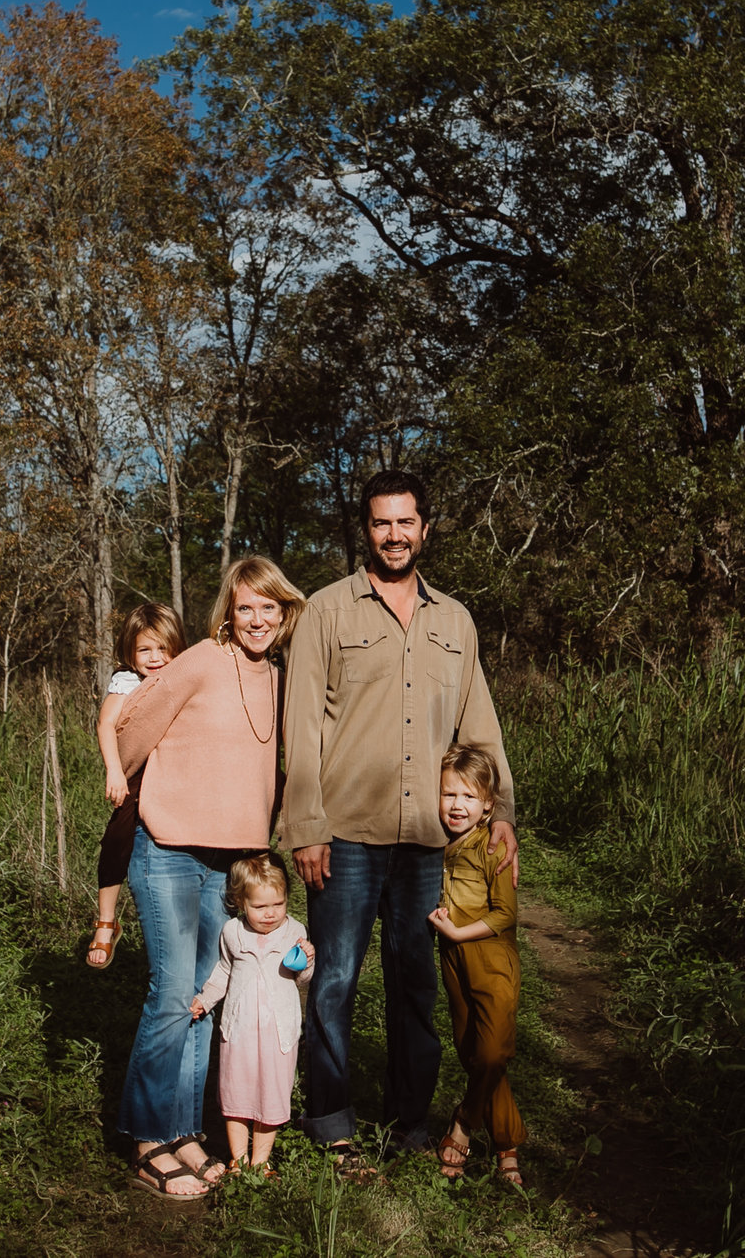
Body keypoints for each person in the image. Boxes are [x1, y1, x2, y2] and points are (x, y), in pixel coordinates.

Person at [281, 467, 517, 1166]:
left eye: (405, 521)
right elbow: (302, 728)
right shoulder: (327, 610)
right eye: (381, 522)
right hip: (345, 833)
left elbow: (479, 724)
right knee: (334, 980)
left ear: (425, 527)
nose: (393, 534)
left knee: (418, 981)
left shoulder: (455, 620)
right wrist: (305, 825)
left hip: (430, 841)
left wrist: (498, 808)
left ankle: (409, 1126)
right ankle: (330, 1122)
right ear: (366, 528)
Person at [111, 555, 307, 1199]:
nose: (256, 619)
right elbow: (132, 724)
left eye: (269, 608)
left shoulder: (279, 676)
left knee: (203, 995)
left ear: (285, 614)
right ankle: (146, 1139)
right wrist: (143, 790)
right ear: (229, 611)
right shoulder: (199, 659)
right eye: (245, 607)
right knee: (171, 993)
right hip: (167, 848)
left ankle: (184, 1131)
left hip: (228, 863)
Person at [428, 743, 523, 1186]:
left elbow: (505, 913)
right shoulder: (437, 844)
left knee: (494, 1050)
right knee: (472, 1049)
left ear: (488, 805)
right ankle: (507, 1147)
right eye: (449, 795)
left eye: (468, 797)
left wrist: (457, 932)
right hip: (453, 959)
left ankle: (465, 1119)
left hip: (490, 957)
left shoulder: (493, 847)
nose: (457, 806)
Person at [187, 851, 316, 1177]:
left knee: (271, 1095)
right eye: (260, 907)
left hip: (277, 1032)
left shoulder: (293, 931)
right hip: (240, 1030)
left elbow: (302, 979)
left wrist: (306, 962)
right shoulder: (233, 932)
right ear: (240, 902)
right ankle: (238, 1160)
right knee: (236, 1093)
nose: (270, 914)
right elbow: (224, 972)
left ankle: (260, 1161)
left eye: (278, 904)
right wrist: (205, 999)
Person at [85, 602, 186, 968]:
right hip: (139, 773)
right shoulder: (127, 682)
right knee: (118, 835)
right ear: (130, 652)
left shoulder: (184, 676)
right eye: (145, 649)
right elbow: (105, 724)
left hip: (178, 771)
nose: (155, 658)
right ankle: (106, 921)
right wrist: (114, 771)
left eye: (163, 648)